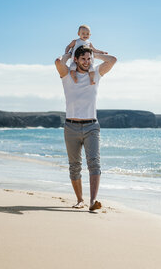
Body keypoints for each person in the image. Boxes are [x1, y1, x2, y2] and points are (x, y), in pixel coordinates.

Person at [55, 45, 117, 211]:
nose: (87, 62)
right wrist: (69, 54)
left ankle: (93, 201)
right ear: (76, 59)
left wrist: (95, 54)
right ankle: (80, 200)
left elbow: (113, 60)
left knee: (94, 164)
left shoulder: (96, 73)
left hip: (91, 126)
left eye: (89, 59)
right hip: (71, 127)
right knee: (74, 165)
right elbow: (57, 62)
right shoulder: (68, 75)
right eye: (83, 58)